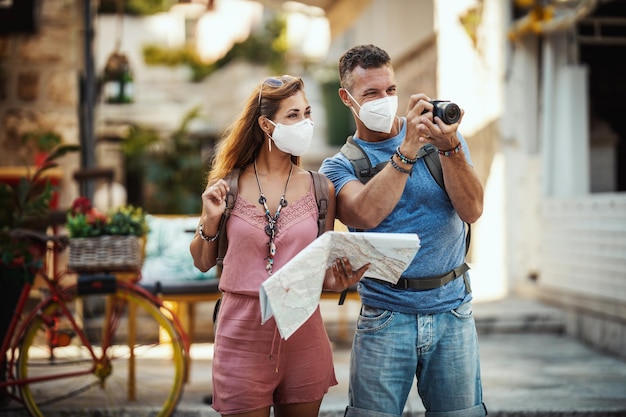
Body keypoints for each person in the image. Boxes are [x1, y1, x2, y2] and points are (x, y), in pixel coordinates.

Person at [319, 44, 488, 416]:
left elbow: (472, 209)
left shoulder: (441, 142)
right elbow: (366, 214)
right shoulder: (338, 167)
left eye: (390, 90)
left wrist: (452, 148)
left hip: (453, 310)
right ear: (347, 98)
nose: (385, 100)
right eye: (372, 93)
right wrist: (408, 150)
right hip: (385, 314)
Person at [189, 74, 370, 417]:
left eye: (307, 113)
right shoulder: (225, 185)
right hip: (241, 334)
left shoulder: (322, 189)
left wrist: (338, 280)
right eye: (293, 116)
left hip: (303, 334)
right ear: (266, 126)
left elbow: (318, 272)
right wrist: (210, 221)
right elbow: (201, 261)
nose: (306, 123)